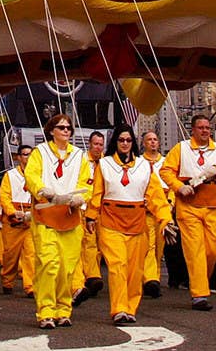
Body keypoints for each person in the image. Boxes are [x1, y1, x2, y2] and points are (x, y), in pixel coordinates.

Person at [91, 128, 172, 325]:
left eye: (128, 140)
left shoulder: (145, 166)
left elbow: (155, 197)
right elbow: (97, 194)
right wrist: (91, 216)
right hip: (111, 221)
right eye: (121, 140)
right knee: (117, 265)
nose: (125, 143)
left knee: (135, 270)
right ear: (115, 142)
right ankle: (119, 308)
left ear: (133, 143)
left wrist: (165, 219)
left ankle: (130, 307)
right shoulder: (105, 164)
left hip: (137, 223)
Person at [161, 114, 216, 310]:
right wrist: (179, 187)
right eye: (201, 127)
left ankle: (200, 279)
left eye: (207, 127)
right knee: (194, 251)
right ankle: (199, 294)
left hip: (213, 207)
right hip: (188, 207)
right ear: (193, 130)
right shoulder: (181, 149)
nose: (205, 130)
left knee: (214, 250)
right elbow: (166, 171)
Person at [25, 113, 92, 330]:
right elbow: (32, 175)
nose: (65, 131)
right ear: (51, 130)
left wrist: (81, 198)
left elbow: (87, 182)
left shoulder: (79, 156)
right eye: (61, 127)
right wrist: (43, 190)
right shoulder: (40, 152)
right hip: (46, 215)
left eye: (68, 128)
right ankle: (45, 310)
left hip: (70, 216)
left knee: (67, 267)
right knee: (49, 264)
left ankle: (64, 309)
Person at [72, 131, 107, 304]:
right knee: (84, 243)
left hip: (102, 209)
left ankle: (93, 276)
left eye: (101, 144)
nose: (98, 148)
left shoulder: (107, 163)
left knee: (97, 244)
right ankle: (87, 277)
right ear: (89, 144)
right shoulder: (82, 162)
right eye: (96, 144)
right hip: (84, 207)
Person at [0, 146, 36, 296]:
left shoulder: (37, 175)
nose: (28, 157)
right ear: (19, 157)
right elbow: (5, 196)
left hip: (30, 219)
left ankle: (30, 286)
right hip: (13, 220)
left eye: (30, 155)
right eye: (25, 155)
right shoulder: (11, 175)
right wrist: (12, 212)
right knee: (10, 256)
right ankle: (7, 280)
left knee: (31, 254)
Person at [140, 131, 171, 297]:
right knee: (148, 246)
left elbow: (172, 183)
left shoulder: (166, 162)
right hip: (145, 211)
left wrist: (170, 202)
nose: (152, 142)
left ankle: (155, 277)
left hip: (163, 210)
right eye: (149, 140)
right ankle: (150, 279)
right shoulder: (138, 163)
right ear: (143, 143)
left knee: (160, 247)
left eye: (155, 140)